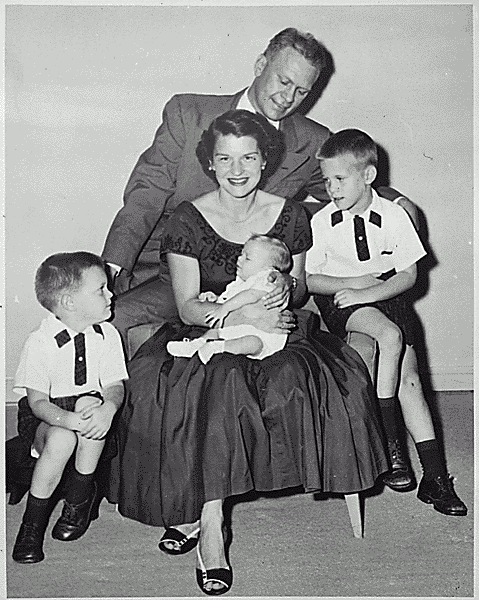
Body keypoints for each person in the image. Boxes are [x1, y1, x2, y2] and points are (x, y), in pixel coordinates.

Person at [106, 110, 389, 596]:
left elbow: (297, 290)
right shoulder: (186, 218)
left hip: (279, 334)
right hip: (212, 327)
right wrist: (240, 318)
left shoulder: (290, 213)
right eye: (225, 159)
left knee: (277, 379)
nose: (238, 170)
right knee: (218, 380)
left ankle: (202, 515)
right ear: (211, 163)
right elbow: (189, 305)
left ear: (265, 160)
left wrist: (279, 296)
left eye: (249, 158)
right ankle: (211, 526)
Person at [101, 27, 412, 340]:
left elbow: (349, 184)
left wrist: (397, 203)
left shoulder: (311, 140)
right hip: (172, 273)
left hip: (255, 281)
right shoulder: (189, 113)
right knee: (103, 327)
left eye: (302, 91)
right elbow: (146, 196)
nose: (288, 98)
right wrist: (112, 266)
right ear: (260, 66)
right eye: (284, 81)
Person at [305, 129, 467, 516]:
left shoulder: (394, 215)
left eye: (339, 179)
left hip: (385, 298)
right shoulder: (325, 221)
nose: (331, 188)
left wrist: (371, 291)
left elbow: (408, 275)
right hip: (343, 304)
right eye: (326, 180)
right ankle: (393, 449)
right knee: (387, 335)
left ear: (368, 176)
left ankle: (435, 477)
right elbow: (312, 279)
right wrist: (356, 286)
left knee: (410, 382)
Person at [11, 252, 128, 564]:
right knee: (63, 439)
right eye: (100, 289)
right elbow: (37, 403)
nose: (111, 294)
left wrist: (109, 409)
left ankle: (78, 499)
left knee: (92, 403)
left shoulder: (107, 334)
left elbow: (114, 385)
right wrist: (69, 421)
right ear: (69, 303)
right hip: (47, 417)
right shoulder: (40, 342)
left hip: (86, 410)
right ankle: (31, 526)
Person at [167, 234, 291, 364]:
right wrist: (215, 300)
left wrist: (223, 308)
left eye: (247, 258)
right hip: (240, 327)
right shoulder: (240, 282)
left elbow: (250, 296)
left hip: (264, 334)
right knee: (213, 333)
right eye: (241, 254)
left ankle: (217, 348)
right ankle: (195, 345)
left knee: (253, 343)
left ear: (268, 268)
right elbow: (232, 299)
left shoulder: (268, 278)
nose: (239, 259)